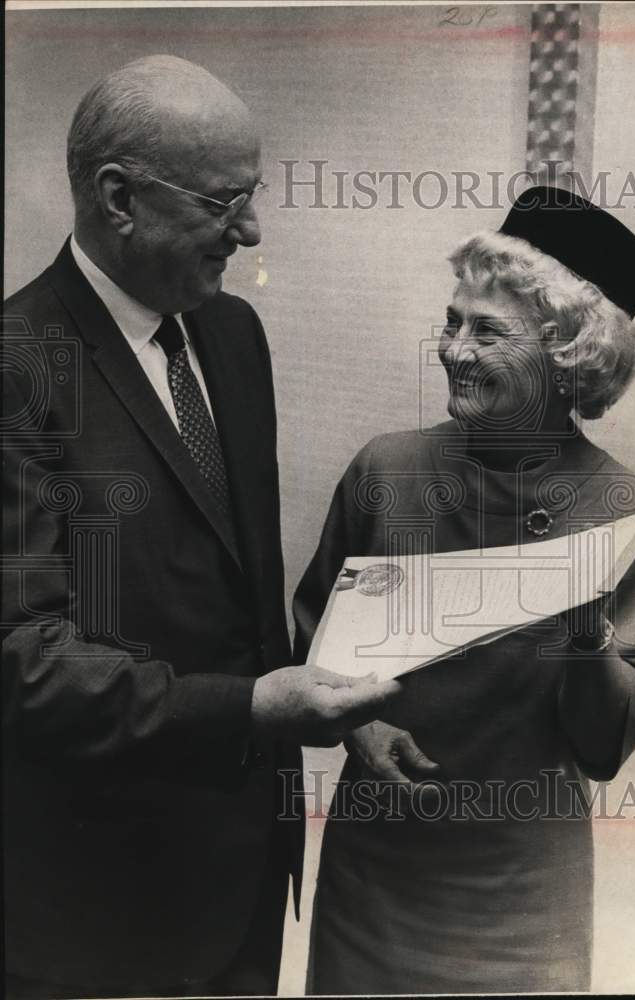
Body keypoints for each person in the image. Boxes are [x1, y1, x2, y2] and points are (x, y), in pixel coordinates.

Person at [1, 55, 398, 999]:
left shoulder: (231, 335)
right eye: (225, 203)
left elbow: (240, 594)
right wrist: (254, 710)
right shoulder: (20, 369)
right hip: (96, 911)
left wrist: (339, 711)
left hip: (248, 881)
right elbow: (25, 660)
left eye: (251, 196)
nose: (251, 230)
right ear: (118, 198)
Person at [293, 186, 635, 994]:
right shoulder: (385, 471)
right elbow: (310, 642)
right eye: (452, 321)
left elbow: (604, 744)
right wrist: (358, 727)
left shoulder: (627, 511)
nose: (452, 349)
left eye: (488, 331)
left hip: (521, 902)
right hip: (378, 878)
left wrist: (587, 635)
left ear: (568, 353)